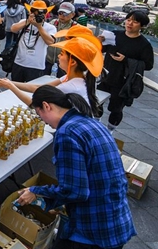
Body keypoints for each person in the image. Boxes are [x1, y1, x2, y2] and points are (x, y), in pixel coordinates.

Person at [17, 85, 136, 249]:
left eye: (39, 115)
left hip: (93, 229)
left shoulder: (67, 133)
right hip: (116, 219)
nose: (43, 121)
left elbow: (75, 191)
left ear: (46, 106)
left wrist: (36, 191)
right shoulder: (90, 122)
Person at [0, 37, 103, 118]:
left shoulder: (70, 87)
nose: (59, 56)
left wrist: (10, 86)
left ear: (73, 62)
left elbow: (34, 104)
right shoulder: (73, 77)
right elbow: (39, 88)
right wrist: (8, 82)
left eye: (62, 54)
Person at [97, 11, 154, 131]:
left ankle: (110, 130)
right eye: (128, 20)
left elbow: (148, 65)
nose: (130, 23)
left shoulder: (144, 45)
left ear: (142, 26)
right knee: (96, 102)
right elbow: (101, 49)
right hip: (105, 76)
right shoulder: (114, 35)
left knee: (116, 109)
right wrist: (98, 41)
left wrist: (126, 60)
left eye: (135, 21)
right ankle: (97, 124)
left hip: (123, 82)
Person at [9, 0, 56, 82]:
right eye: (34, 11)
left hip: (36, 66)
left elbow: (50, 42)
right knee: (15, 89)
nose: (38, 15)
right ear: (30, 12)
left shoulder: (50, 27)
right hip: (19, 62)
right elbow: (13, 29)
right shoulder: (23, 22)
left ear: (46, 14)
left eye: (42, 12)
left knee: (31, 92)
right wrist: (27, 21)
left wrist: (39, 27)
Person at [45, 1, 77, 77]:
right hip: (48, 59)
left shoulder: (75, 28)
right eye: (60, 13)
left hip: (64, 63)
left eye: (65, 14)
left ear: (73, 15)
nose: (62, 16)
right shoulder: (53, 23)